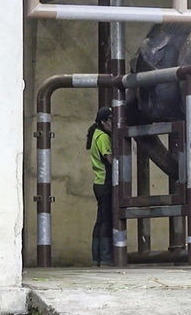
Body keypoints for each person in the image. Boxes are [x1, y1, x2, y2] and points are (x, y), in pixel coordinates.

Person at [86, 106, 113, 266]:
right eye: (111, 120)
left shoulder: (96, 133)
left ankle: (97, 257)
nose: (114, 123)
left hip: (99, 182)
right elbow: (110, 159)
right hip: (105, 183)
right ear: (103, 121)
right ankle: (106, 257)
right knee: (106, 221)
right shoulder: (103, 137)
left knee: (100, 220)